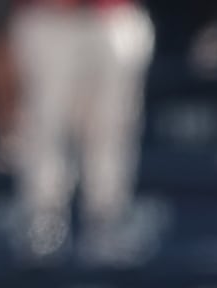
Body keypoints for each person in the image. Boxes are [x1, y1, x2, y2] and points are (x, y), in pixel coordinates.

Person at [10, 0, 153, 261]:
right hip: (50, 17)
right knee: (45, 124)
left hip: (113, 16)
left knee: (114, 126)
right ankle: (44, 221)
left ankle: (107, 221)